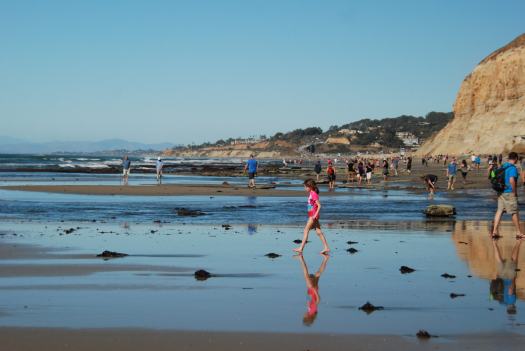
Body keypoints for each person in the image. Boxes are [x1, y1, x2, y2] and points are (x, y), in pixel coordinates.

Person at [491, 152, 524, 239]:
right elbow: (512, 180)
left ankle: (494, 231)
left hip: (501, 191)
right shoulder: (513, 168)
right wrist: (514, 192)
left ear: (509, 158)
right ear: (516, 158)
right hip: (509, 192)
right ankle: (518, 232)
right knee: (514, 211)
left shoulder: (503, 165)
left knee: (499, 211)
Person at [293, 179, 330, 254]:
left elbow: (319, 205)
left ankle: (301, 248)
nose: (305, 188)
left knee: (306, 230)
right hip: (312, 215)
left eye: (305, 187)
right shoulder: (311, 193)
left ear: (310, 186)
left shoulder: (313, 194)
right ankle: (326, 247)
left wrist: (315, 215)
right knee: (319, 232)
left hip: (313, 216)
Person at [490, 237, 522, 315]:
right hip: (501, 276)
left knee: (514, 260)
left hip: (509, 277)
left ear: (513, 308)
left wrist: (514, 278)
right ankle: (494, 243)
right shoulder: (502, 302)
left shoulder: (512, 301)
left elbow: (510, 290)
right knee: (499, 260)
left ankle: (518, 242)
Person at [295, 254, 329, 326]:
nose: (303, 315)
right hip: (312, 289)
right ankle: (301, 259)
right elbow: (318, 301)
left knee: (318, 274)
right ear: (307, 317)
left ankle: (326, 259)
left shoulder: (311, 311)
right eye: (304, 316)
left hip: (313, 290)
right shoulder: (312, 311)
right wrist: (314, 290)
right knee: (305, 274)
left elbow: (314, 302)